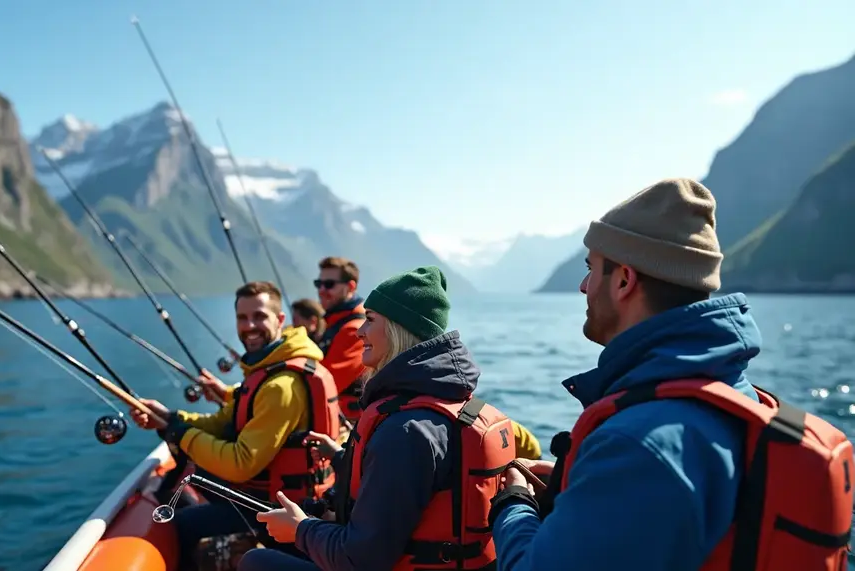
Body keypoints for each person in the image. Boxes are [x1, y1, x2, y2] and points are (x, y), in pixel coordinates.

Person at [490, 178, 853, 570]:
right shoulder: (739, 396)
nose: (583, 287)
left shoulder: (637, 444)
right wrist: (577, 488)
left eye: (591, 269)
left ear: (625, 280)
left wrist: (516, 505)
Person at [238, 266, 517, 571]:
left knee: (255, 562)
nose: (359, 331)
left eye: (370, 320)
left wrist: (300, 530)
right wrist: (343, 457)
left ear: (398, 329)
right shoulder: (448, 401)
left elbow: (359, 559)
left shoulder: (405, 431)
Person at [129, 281, 341, 568]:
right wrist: (169, 419)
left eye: (259, 316)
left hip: (281, 509)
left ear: (279, 320)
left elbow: (241, 463)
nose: (250, 326)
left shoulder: (281, 385)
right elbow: (221, 421)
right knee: (200, 468)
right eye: (242, 318)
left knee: (179, 526)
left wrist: (181, 434)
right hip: (265, 493)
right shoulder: (268, 368)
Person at [314, 256, 368, 421]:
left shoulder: (355, 329)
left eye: (329, 284)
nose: (321, 290)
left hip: (348, 425)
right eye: (318, 284)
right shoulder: (334, 321)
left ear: (350, 286)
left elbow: (325, 384)